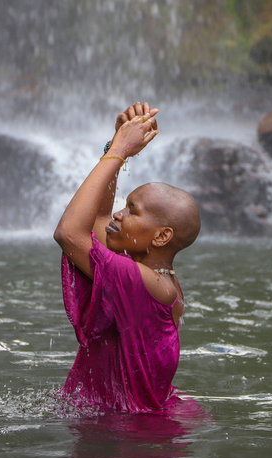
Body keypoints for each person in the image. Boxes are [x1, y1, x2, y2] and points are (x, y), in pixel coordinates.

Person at [54, 102, 201, 413]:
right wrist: (115, 143)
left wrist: (120, 149)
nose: (120, 214)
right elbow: (100, 219)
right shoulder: (158, 276)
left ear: (161, 236)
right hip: (126, 427)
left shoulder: (144, 282)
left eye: (132, 211)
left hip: (126, 440)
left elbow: (69, 233)